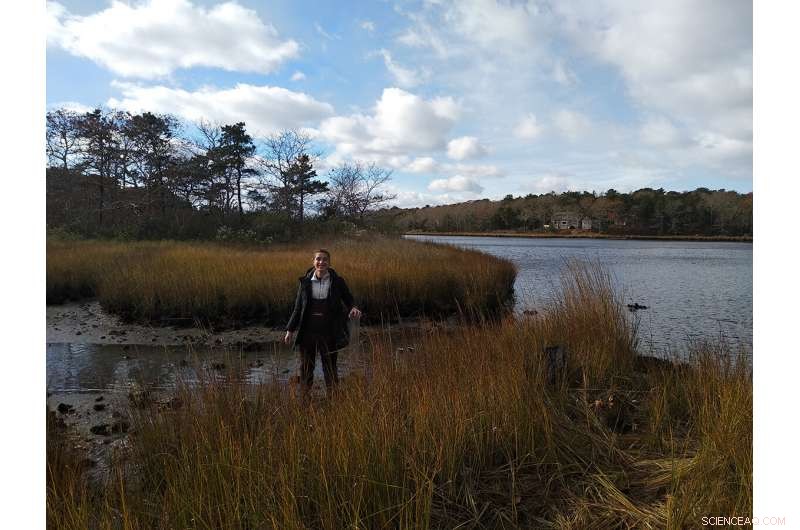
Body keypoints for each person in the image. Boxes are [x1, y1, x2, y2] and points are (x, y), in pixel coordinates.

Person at [284, 249, 361, 396]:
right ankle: (305, 400)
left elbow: (349, 299)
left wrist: (354, 308)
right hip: (308, 332)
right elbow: (298, 307)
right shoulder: (305, 282)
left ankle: (333, 399)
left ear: (329, 263)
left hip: (329, 332)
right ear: (313, 262)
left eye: (325, 259)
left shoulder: (338, 281)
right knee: (306, 368)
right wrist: (290, 330)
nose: (321, 262)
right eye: (318, 259)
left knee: (330, 367)